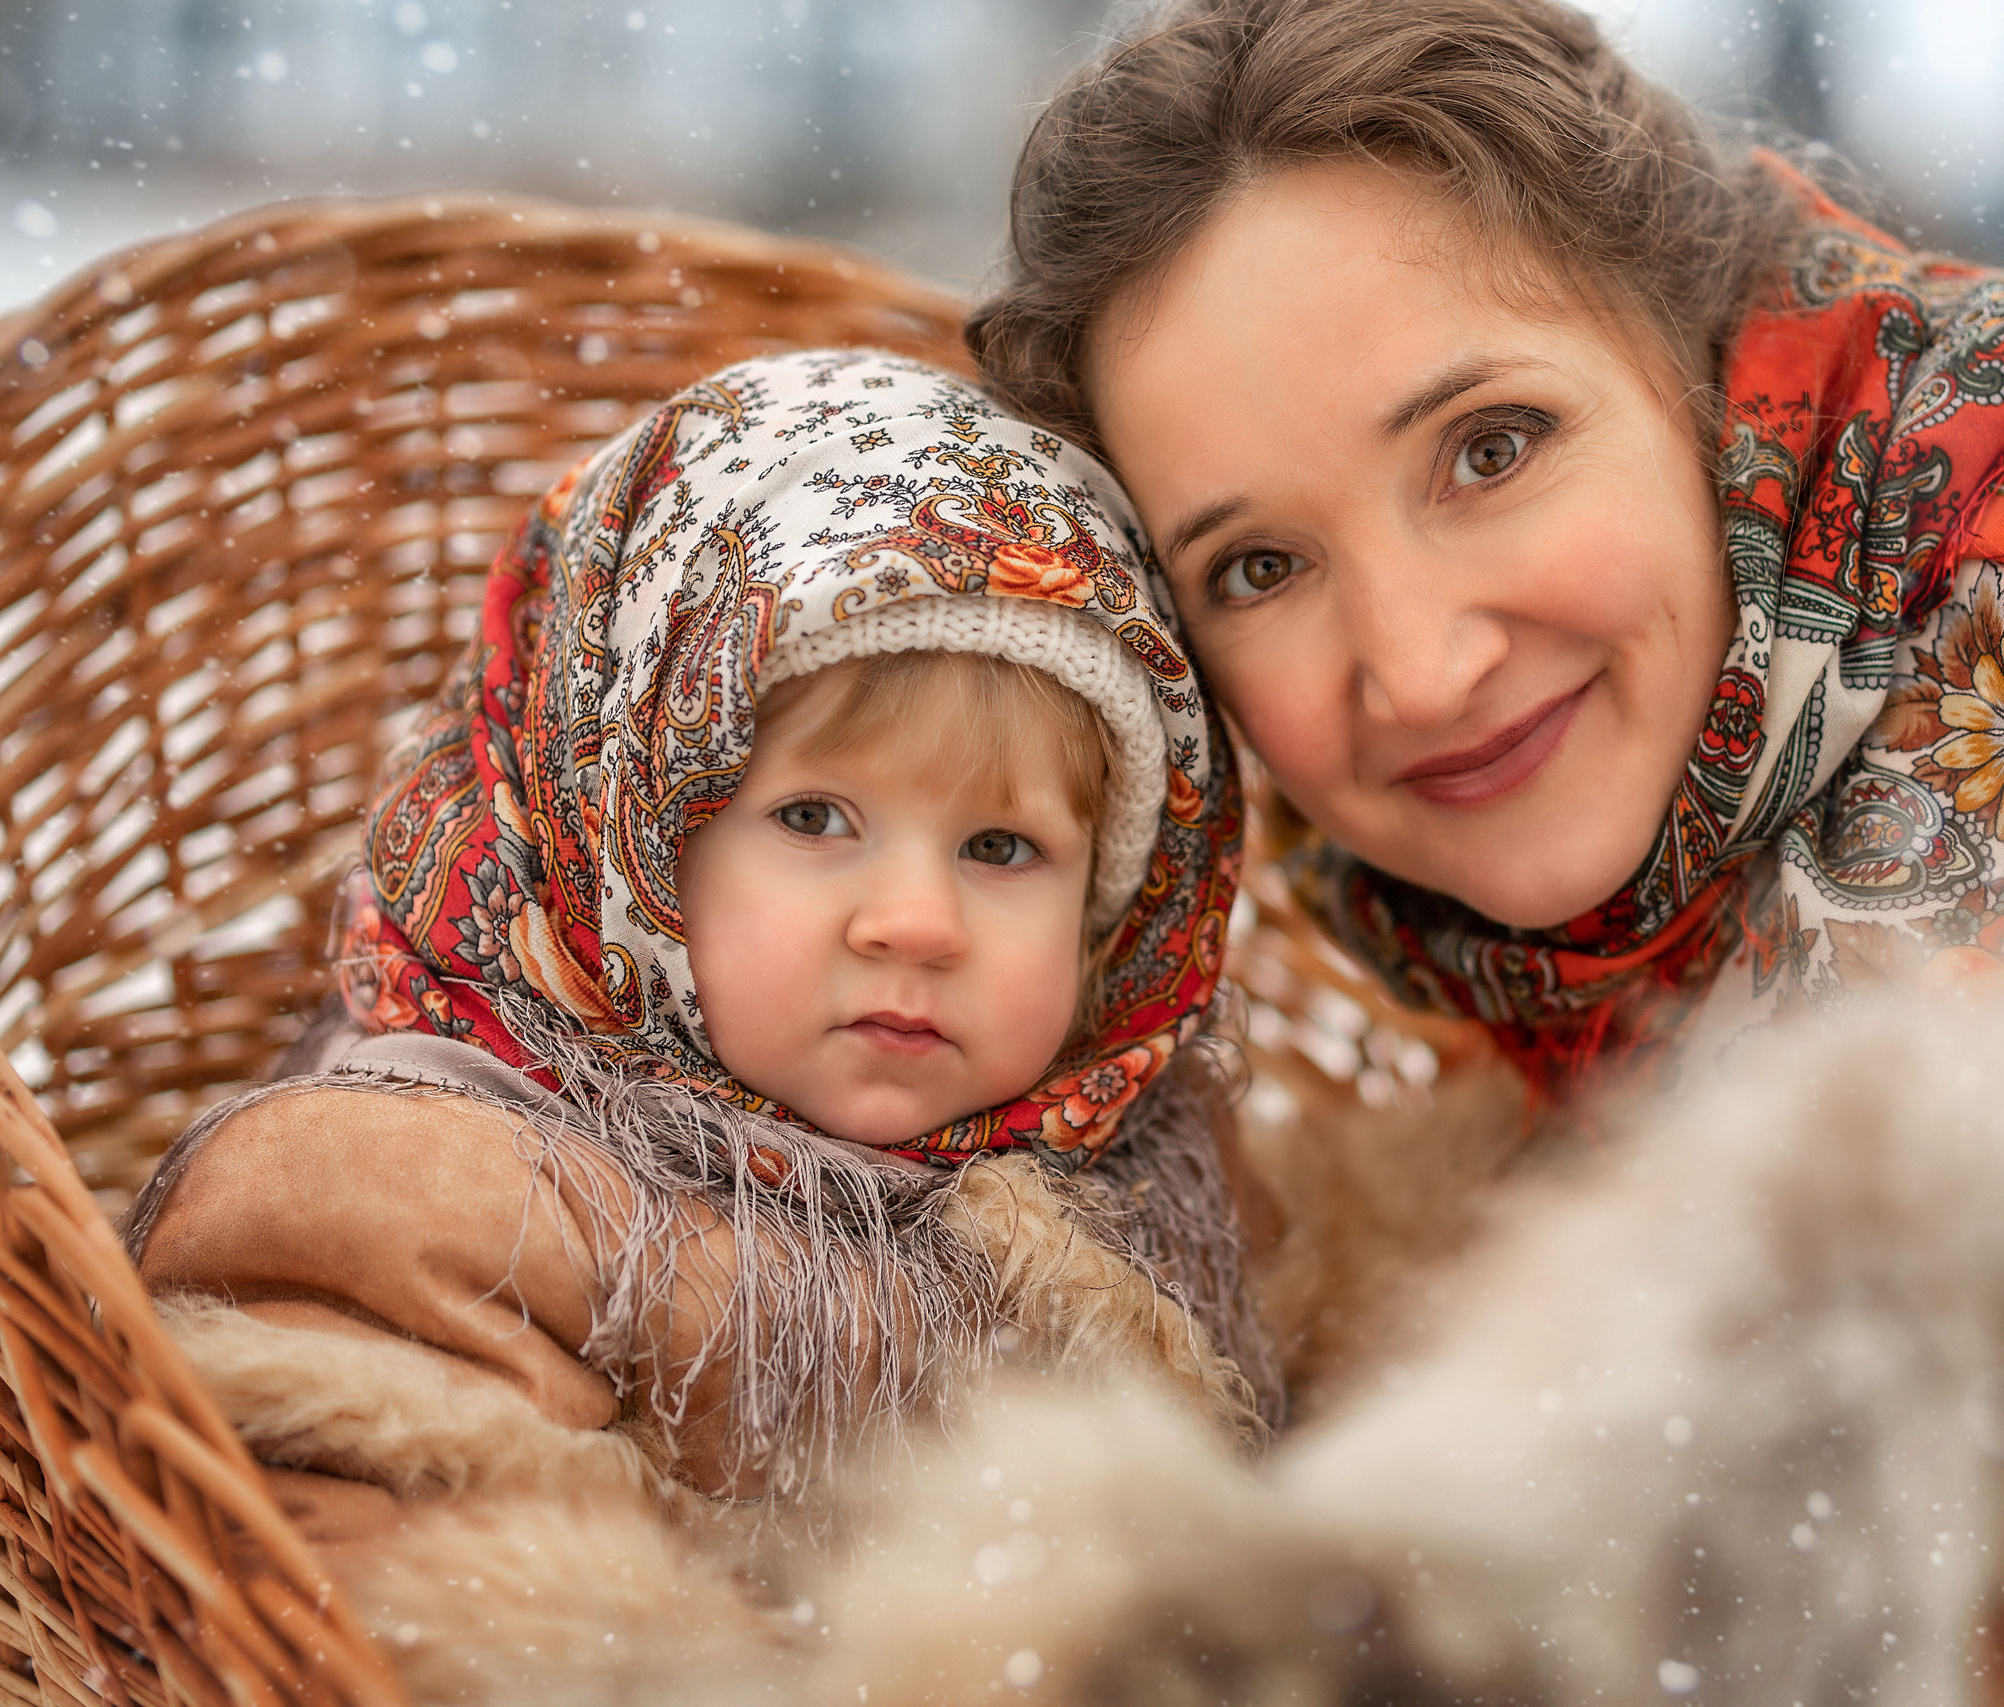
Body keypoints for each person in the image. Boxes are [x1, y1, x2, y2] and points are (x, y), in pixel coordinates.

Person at [966, 0, 2004, 1634]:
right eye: (1260, 567)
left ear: (1703, 359)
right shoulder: (1662, 820)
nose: (1422, 666)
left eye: (1490, 448)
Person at [125, 348, 1274, 1524]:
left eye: (1000, 849)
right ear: (626, 845)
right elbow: (358, 1582)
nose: (920, 926)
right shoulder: (427, 1194)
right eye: (814, 818)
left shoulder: (1154, 1185)